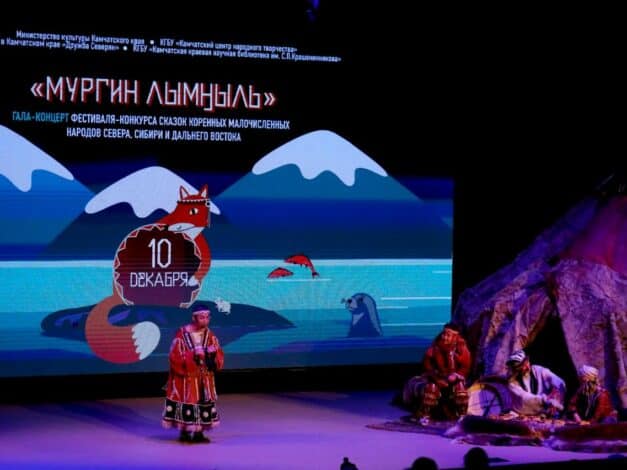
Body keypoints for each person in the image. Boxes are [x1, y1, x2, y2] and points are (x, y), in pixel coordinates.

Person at [162, 304, 224, 442]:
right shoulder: (182, 334)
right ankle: (184, 431)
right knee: (188, 401)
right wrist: (192, 355)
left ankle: (199, 433)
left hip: (204, 377)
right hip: (187, 378)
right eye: (202, 317)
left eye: (207, 317)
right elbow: (174, 356)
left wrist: (212, 353)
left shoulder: (210, 335)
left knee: (203, 401)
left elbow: (218, 355)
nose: (205, 320)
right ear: (194, 318)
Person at [402, 323, 472, 423]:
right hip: (437, 378)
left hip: (454, 379)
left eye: (448, 335)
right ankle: (424, 415)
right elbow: (427, 366)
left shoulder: (461, 349)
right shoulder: (435, 348)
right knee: (431, 388)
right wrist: (437, 378)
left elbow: (465, 367)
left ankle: (462, 416)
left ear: (455, 337)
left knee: (460, 388)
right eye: (444, 334)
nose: (444, 337)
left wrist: (456, 375)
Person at [505, 349, 565, 417]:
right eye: (523, 366)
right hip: (525, 414)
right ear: (516, 369)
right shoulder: (512, 383)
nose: (528, 367)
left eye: (527, 362)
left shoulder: (537, 370)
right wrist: (546, 400)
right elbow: (525, 399)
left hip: (546, 412)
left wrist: (557, 393)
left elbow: (558, 381)